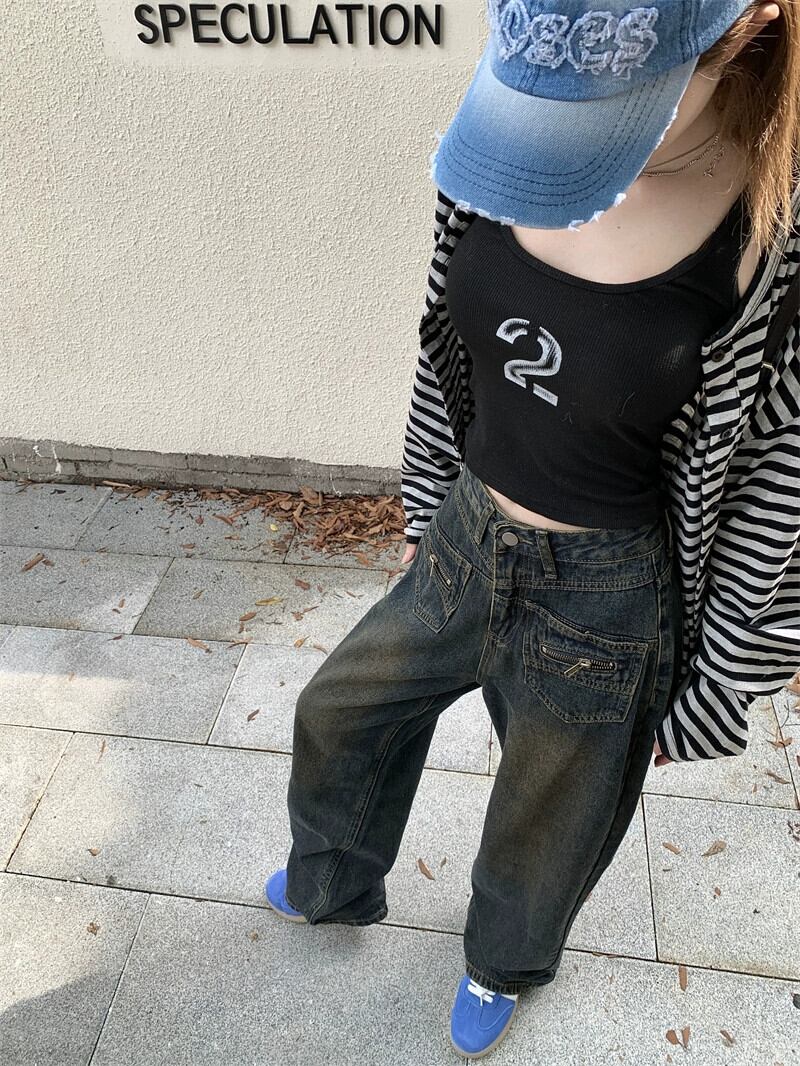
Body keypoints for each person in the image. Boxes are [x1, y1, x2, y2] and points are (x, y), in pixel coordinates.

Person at [266, 1, 799, 1059]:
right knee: (340, 712)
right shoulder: (507, 144)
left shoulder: (769, 242)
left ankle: (500, 964)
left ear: (743, 34)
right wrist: (427, 500)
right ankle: (331, 880)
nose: (558, 146)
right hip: (465, 535)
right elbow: (444, 343)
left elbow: (777, 486)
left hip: (605, 598)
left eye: (608, 106)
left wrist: (716, 685)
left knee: (545, 817)